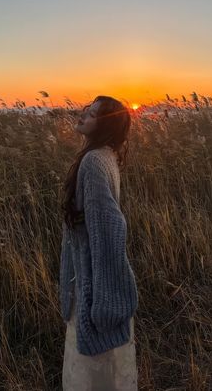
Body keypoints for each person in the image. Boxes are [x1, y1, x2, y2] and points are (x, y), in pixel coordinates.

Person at [59, 95, 139, 391]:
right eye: (86, 110)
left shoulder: (93, 162)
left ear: (104, 127)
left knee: (94, 373)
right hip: (92, 281)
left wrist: (104, 301)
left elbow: (108, 232)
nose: (82, 115)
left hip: (94, 286)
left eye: (91, 114)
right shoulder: (105, 155)